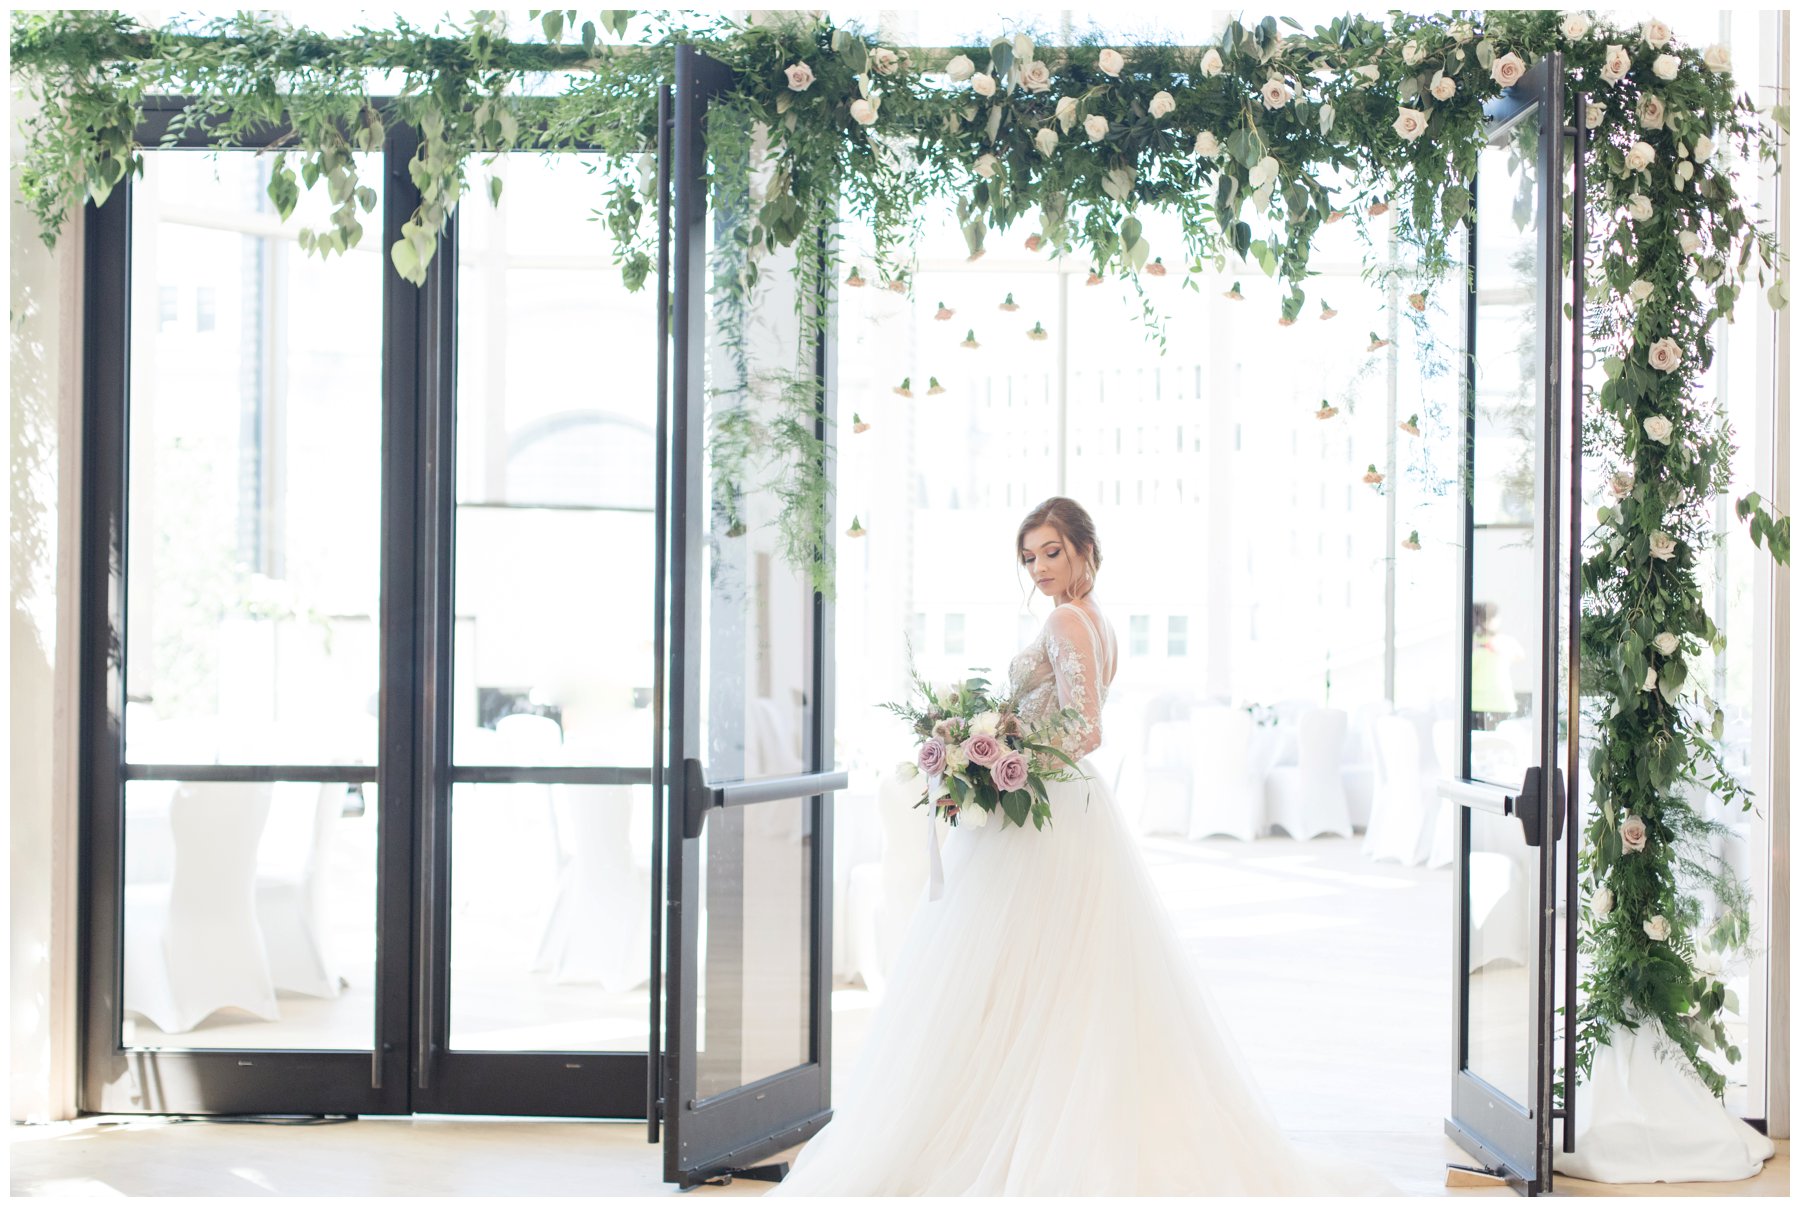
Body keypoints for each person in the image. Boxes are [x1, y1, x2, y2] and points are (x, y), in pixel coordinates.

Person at [765, 497, 1396, 1196]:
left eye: (1051, 551)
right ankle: (1038, 1116)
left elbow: (1086, 728)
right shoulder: (1098, 620)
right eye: (1029, 555)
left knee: (1015, 969)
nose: (1039, 566)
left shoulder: (1067, 618)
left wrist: (1000, 759)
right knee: (1058, 974)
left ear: (1085, 549)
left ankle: (1016, 1131)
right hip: (1068, 803)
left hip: (1048, 806)